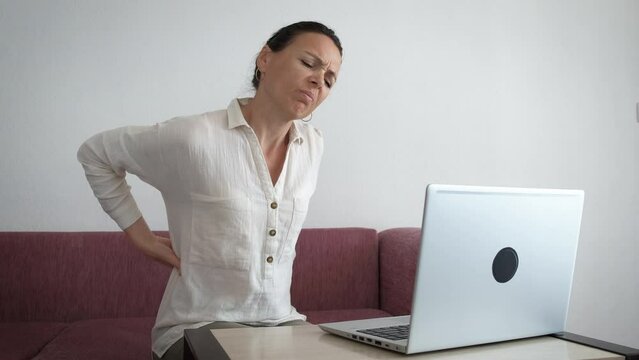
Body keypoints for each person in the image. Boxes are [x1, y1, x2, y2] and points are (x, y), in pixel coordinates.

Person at [77, 21, 342, 360]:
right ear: (265, 58)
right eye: (308, 63)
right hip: (199, 325)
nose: (319, 80)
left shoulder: (313, 146)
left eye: (330, 79)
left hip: (282, 323)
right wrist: (139, 235)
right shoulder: (194, 137)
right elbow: (96, 153)